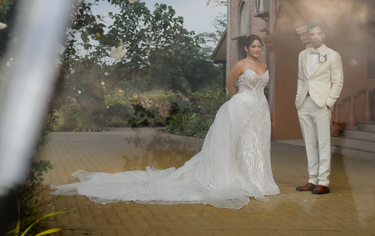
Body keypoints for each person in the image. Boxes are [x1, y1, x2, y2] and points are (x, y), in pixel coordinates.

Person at [50, 35, 279, 209]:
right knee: (236, 143)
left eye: (259, 46)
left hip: (260, 109)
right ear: (246, 48)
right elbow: (230, 85)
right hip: (240, 107)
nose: (257, 50)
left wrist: (256, 103)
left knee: (256, 144)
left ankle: (258, 180)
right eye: (253, 46)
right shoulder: (240, 65)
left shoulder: (264, 66)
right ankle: (237, 178)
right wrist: (240, 100)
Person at [295, 23, 343, 195]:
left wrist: (329, 102)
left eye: (318, 33)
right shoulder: (302, 54)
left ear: (323, 35)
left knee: (323, 143)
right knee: (309, 143)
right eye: (312, 34)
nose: (315, 36)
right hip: (304, 103)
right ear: (308, 36)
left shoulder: (333, 55)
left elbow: (338, 81)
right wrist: (298, 99)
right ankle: (312, 179)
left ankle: (324, 181)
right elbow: (301, 79)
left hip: (321, 103)